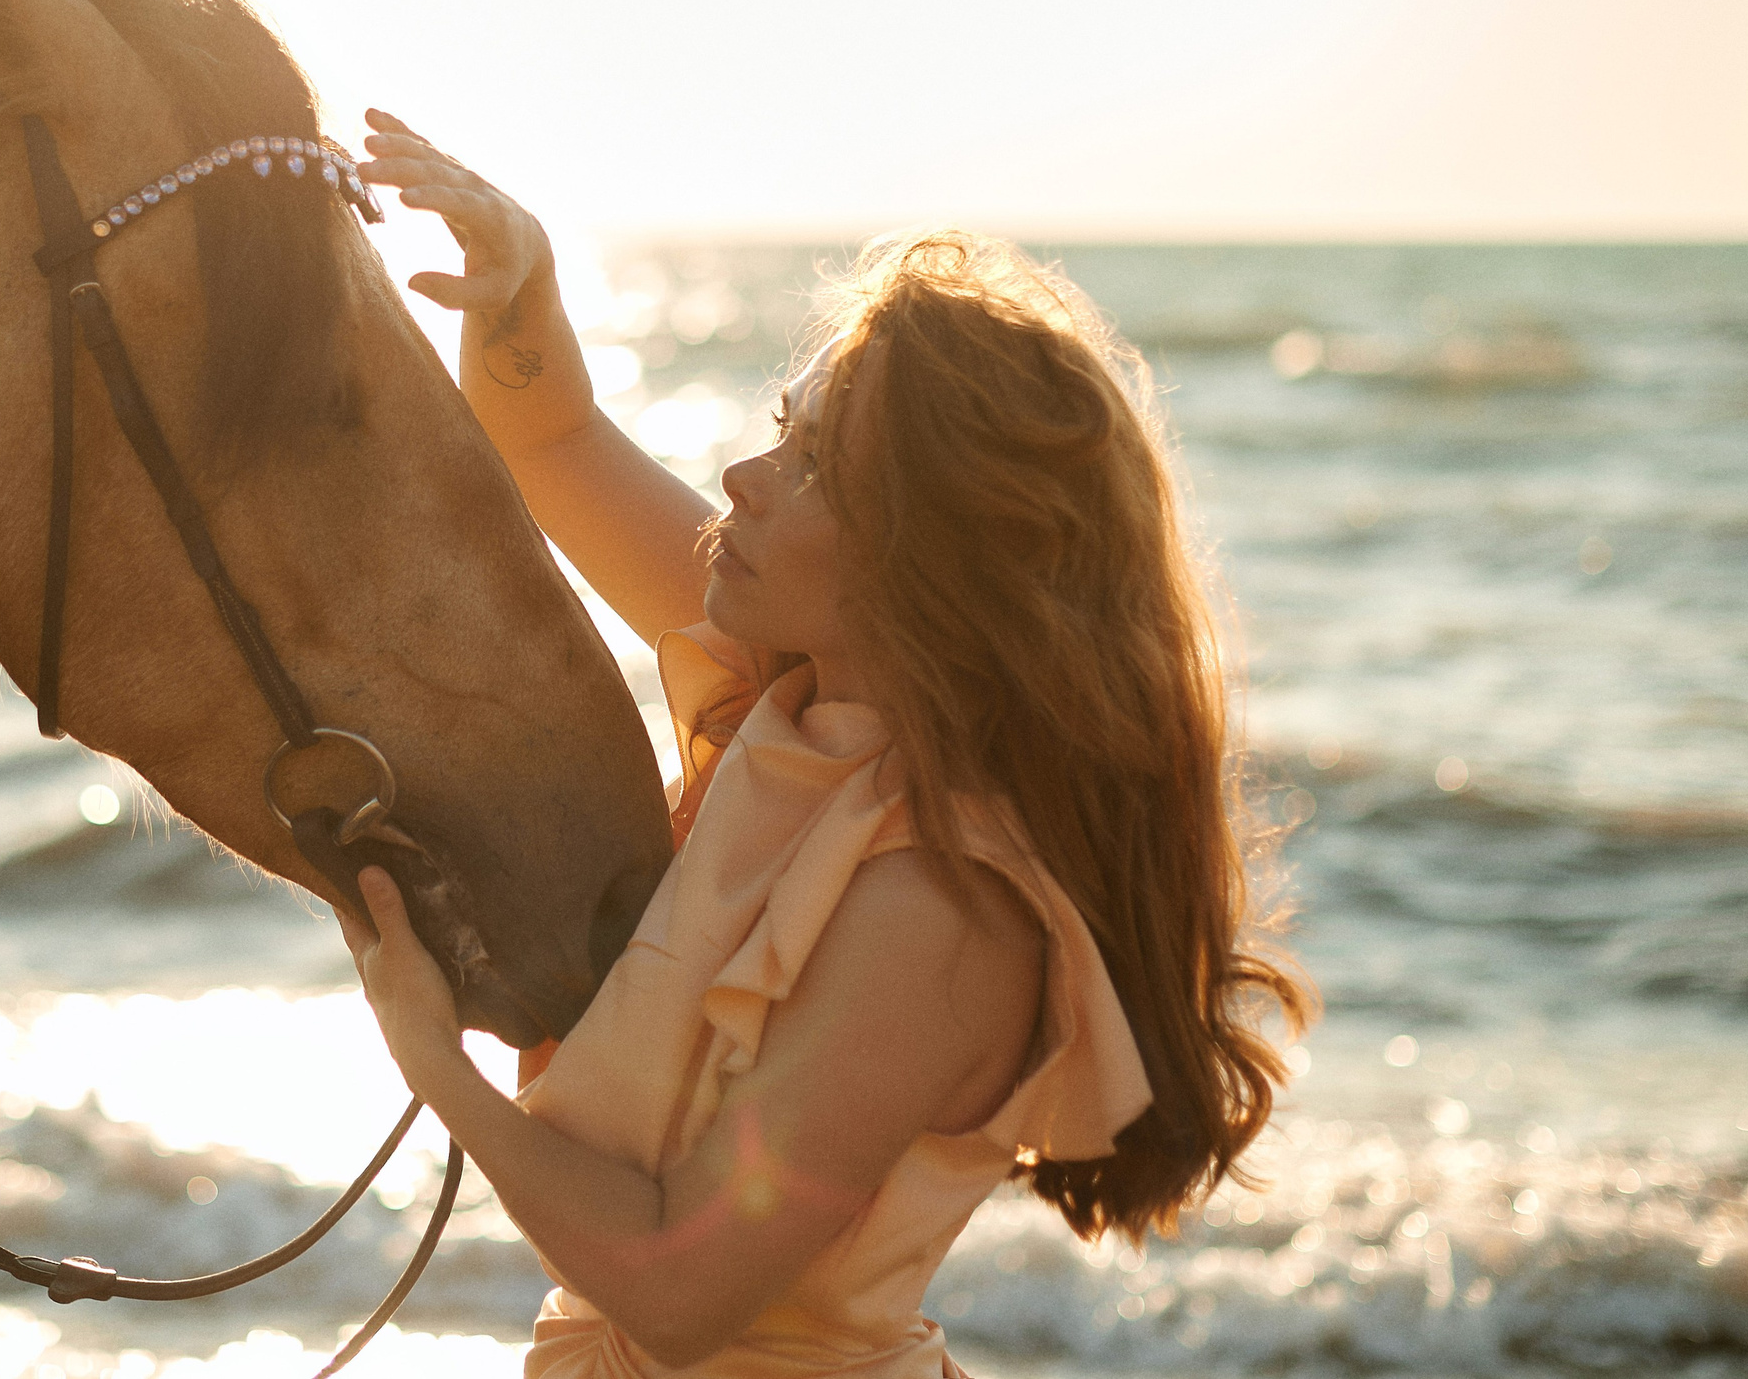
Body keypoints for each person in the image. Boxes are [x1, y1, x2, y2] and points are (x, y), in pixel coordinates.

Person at [342, 110, 1310, 1379]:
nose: (744, 479)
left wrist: (431, 1062)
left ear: (935, 561)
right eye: (782, 430)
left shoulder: (940, 909)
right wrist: (523, 282)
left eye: (814, 468)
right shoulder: (789, 709)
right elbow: (552, 441)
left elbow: (681, 1290)